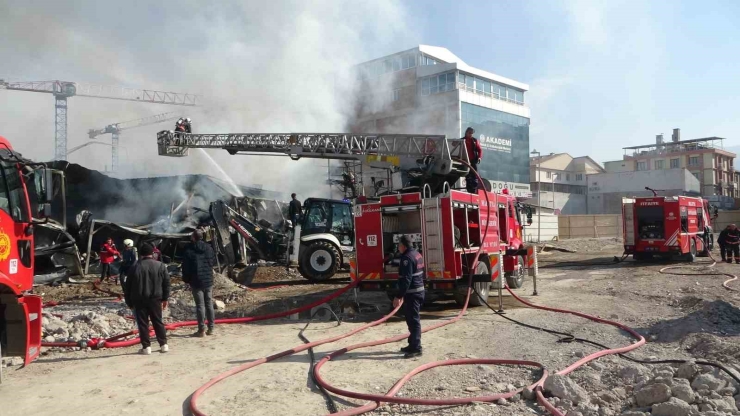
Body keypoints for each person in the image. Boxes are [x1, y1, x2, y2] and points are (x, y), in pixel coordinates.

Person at [123, 243, 170, 355]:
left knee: (143, 323)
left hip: (139, 299)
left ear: (141, 254)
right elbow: (166, 284)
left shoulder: (134, 267)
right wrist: (165, 298)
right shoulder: (160, 266)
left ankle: (146, 347)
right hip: (156, 299)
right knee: (158, 321)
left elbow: (127, 287)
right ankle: (163, 345)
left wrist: (129, 302)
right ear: (152, 253)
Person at [392, 235, 425, 358]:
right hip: (417, 291)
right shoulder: (417, 254)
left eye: (398, 245)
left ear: (403, 246)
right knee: (411, 319)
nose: (398, 247)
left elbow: (406, 279)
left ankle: (416, 348)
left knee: (413, 320)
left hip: (413, 294)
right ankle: (412, 344)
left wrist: (399, 296)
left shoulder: (406, 258)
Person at [182, 229, 217, 337]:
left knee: (200, 306)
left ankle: (201, 330)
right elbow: (212, 262)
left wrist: (186, 279)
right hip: (208, 280)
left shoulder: (189, 251)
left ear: (193, 237)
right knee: (209, 304)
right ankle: (211, 328)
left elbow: (186, 268)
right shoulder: (209, 248)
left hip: (196, 281)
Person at [462, 127, 483, 194]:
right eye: (469, 133)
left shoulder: (474, 141)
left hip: (472, 161)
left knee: (474, 175)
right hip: (465, 161)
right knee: (467, 176)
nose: (470, 134)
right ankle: (469, 190)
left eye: (471, 133)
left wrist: (479, 157)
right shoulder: (462, 141)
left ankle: (473, 190)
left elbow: (479, 150)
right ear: (466, 132)